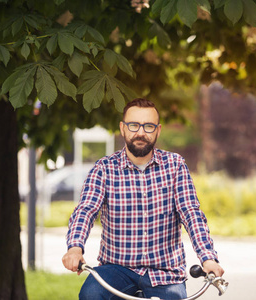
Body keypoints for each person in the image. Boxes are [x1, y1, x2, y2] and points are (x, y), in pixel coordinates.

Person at [62, 98, 224, 300]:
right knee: (91, 294)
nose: (140, 132)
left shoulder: (175, 166)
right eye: (133, 125)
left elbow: (191, 214)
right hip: (116, 269)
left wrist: (208, 258)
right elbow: (85, 210)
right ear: (122, 128)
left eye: (148, 126)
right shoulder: (104, 169)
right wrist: (75, 248)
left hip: (165, 273)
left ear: (158, 130)